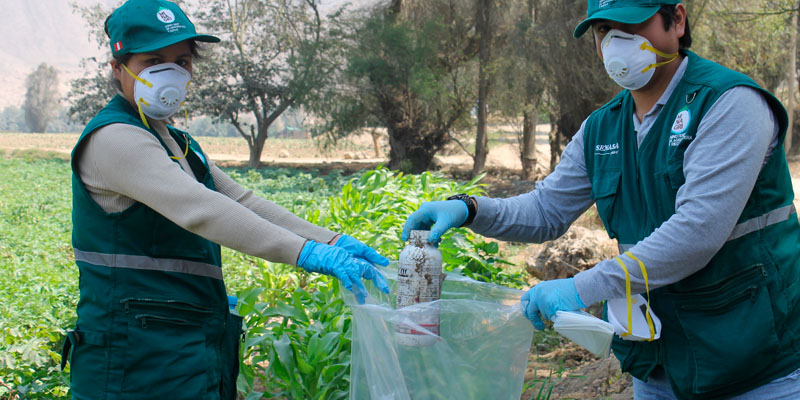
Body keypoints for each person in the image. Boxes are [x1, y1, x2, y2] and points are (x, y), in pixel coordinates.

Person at [403, 1, 800, 398]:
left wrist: (581, 288)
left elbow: (697, 233)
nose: (615, 43)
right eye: (603, 31)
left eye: (630, 24)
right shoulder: (602, 127)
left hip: (756, 363)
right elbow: (545, 211)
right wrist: (470, 208)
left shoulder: (729, 103)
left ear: (677, 20)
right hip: (660, 365)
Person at [60, 1, 389, 399]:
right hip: (132, 359)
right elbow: (201, 209)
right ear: (118, 68)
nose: (172, 73)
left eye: (182, 60)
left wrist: (330, 242)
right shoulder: (114, 139)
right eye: (153, 60)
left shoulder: (175, 141)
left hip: (183, 348)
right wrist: (305, 253)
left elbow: (241, 200)